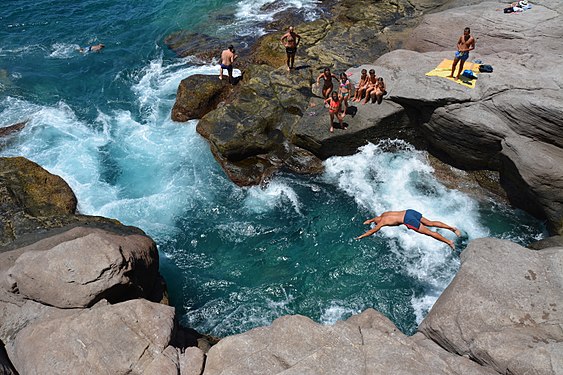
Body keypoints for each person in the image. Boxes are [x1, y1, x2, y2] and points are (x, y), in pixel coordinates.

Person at [356, 209, 461, 250]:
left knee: (429, 232)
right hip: (409, 212)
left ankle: (449, 242)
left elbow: (372, 231)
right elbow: (375, 219)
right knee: (430, 223)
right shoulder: (383, 214)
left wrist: (361, 236)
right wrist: (369, 220)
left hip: (408, 219)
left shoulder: (382, 222)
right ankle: (452, 228)